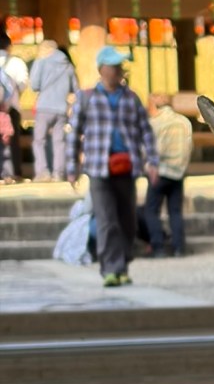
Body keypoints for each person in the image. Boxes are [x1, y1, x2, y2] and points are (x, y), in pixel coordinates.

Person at [69, 45, 158, 287]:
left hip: (127, 168)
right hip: (99, 168)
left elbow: (145, 132)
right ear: (102, 69)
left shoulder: (131, 98)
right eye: (114, 66)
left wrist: (152, 161)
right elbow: (74, 133)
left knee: (127, 220)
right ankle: (111, 268)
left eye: (120, 66)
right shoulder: (86, 98)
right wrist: (71, 167)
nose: (119, 71)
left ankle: (123, 263)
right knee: (107, 220)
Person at [144, 92, 193, 257]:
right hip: (178, 172)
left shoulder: (155, 123)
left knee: (151, 210)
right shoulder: (184, 122)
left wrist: (148, 166)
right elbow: (189, 146)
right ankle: (179, 248)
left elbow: (152, 150)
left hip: (160, 171)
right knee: (175, 211)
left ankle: (158, 247)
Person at [29, 40, 79, 181]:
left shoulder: (41, 62)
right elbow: (75, 88)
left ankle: (43, 172)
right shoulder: (68, 65)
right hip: (62, 108)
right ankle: (59, 173)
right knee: (59, 142)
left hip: (44, 106)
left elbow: (34, 85)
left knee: (39, 141)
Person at [0, 29, 28, 181]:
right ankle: (13, 173)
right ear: (9, 46)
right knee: (11, 141)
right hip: (11, 108)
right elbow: (23, 83)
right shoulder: (16, 62)